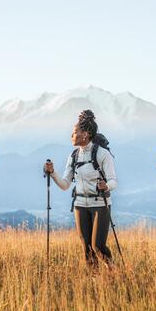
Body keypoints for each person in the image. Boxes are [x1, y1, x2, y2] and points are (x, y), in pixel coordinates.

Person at [44, 110, 118, 268]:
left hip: (100, 204)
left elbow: (113, 181)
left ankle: (113, 273)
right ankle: (95, 280)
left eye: (74, 132)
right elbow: (65, 185)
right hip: (80, 205)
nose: (72, 136)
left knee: (98, 246)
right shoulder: (73, 156)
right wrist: (52, 173)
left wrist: (106, 186)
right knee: (87, 248)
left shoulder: (102, 154)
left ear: (85, 134)